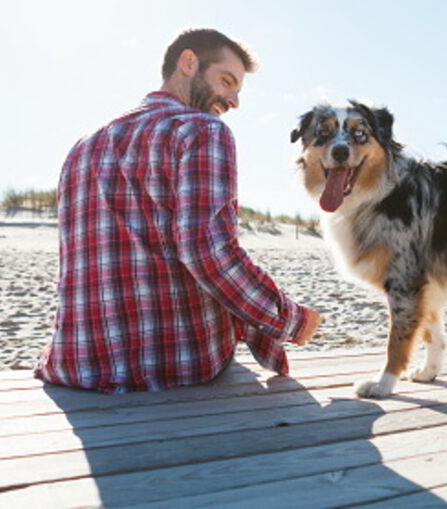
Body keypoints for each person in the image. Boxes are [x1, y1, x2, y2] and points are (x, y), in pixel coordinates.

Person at [35, 28, 321, 394]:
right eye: (227, 81)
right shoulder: (201, 130)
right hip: (179, 363)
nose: (234, 101)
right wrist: (291, 320)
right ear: (188, 63)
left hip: (77, 364)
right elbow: (207, 252)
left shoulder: (83, 146)